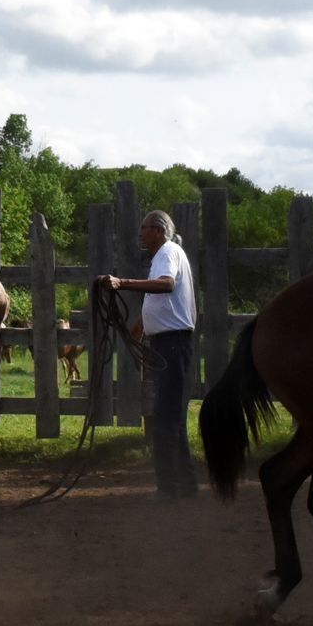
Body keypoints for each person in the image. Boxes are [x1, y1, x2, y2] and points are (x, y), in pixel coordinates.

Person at [98, 209, 199, 497]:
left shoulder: (167, 252)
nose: (140, 233)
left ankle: (170, 487)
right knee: (171, 416)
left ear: (158, 230)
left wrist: (122, 282)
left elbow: (166, 285)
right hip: (168, 343)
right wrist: (138, 331)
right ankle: (183, 485)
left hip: (172, 344)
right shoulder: (163, 256)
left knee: (167, 418)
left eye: (144, 228)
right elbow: (159, 302)